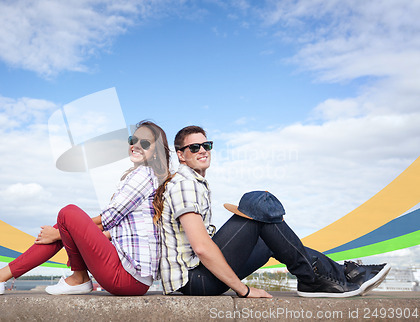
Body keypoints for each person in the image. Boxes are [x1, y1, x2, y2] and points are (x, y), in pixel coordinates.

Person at [154, 125, 390, 298]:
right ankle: (339, 275)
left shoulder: (193, 182)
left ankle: (331, 275)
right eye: (194, 147)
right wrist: (244, 290)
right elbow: (202, 247)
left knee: (268, 239)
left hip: (199, 279)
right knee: (257, 207)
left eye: (207, 145)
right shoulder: (185, 183)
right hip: (195, 282)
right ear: (181, 155)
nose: (203, 150)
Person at [0, 120, 170, 296]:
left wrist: (58, 233)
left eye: (145, 143)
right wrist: (64, 233)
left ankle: (76, 277)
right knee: (66, 221)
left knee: (68, 213)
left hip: (127, 279)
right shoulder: (143, 177)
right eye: (133, 140)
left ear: (157, 151)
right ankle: (2, 277)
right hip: (132, 278)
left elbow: (109, 218)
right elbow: (114, 230)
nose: (136, 145)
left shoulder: (143, 175)